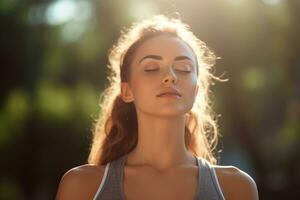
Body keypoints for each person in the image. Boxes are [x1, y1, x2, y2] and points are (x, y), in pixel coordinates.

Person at [55, 14, 259, 200]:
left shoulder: (236, 187)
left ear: (196, 92)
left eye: (184, 68)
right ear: (127, 91)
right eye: (151, 68)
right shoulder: (82, 187)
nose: (171, 76)